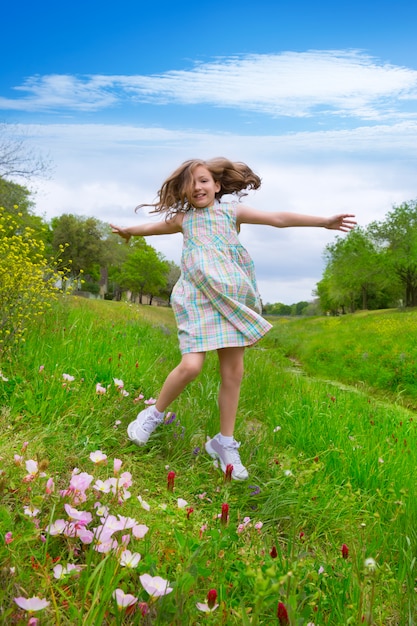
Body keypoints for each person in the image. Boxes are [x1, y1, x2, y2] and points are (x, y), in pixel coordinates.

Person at [111, 157, 356, 480]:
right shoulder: (183, 220)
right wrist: (129, 230)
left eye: (203, 180)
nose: (197, 187)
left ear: (216, 185)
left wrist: (323, 221)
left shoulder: (230, 212)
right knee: (191, 366)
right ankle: (153, 414)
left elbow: (278, 218)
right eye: (191, 182)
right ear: (183, 190)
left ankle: (224, 443)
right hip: (196, 297)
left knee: (234, 372)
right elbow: (150, 229)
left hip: (230, 298)